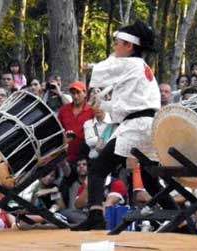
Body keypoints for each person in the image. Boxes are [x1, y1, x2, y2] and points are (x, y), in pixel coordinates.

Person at [72, 21, 177, 231]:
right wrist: (101, 104)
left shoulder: (128, 63)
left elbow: (102, 71)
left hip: (136, 128)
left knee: (98, 169)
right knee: (149, 179)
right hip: (147, 126)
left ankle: (95, 215)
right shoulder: (142, 68)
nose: (114, 48)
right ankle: (180, 217)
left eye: (118, 43)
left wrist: (91, 67)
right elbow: (127, 106)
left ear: (129, 46)